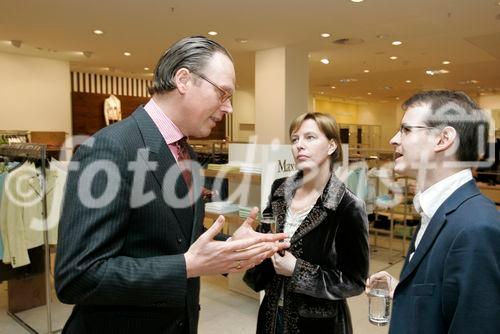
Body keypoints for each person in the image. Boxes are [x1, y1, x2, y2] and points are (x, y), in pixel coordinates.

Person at [55, 36, 288, 334]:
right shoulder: (110, 149)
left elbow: (176, 237)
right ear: (183, 80)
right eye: (223, 94)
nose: (228, 108)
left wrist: (229, 246)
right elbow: (77, 277)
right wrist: (186, 267)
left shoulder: (186, 153)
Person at [366, 90, 500, 334]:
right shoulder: (438, 209)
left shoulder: (475, 228)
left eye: (406, 130)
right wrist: (405, 291)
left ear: (443, 139)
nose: (394, 139)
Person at [244, 112, 369, 333]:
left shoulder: (347, 206)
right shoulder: (280, 189)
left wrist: (297, 270)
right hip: (272, 313)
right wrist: (251, 243)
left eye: (310, 137)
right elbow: (266, 236)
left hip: (317, 323)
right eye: (295, 139)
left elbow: (354, 281)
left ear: (331, 146)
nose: (300, 145)